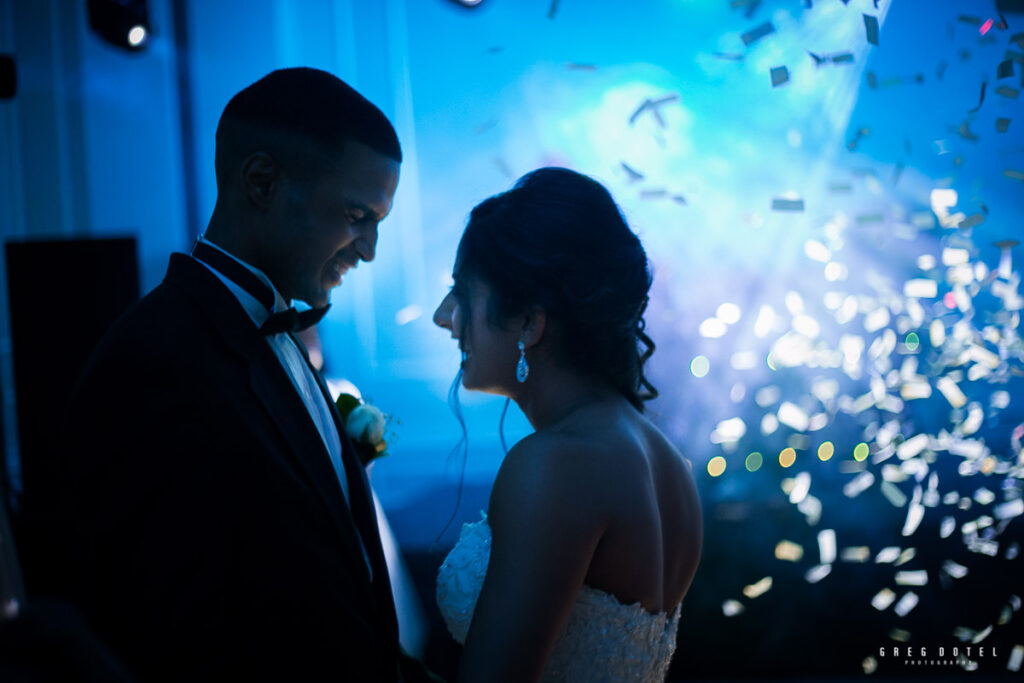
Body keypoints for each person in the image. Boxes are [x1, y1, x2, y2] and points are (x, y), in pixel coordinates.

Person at [45, 68, 439, 681]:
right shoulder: (154, 364)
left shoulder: (284, 331)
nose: (369, 250)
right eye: (358, 215)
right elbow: (166, 638)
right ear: (262, 182)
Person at [432, 168, 703, 682]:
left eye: (461, 292)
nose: (443, 316)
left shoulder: (554, 465)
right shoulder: (665, 458)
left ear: (531, 324)